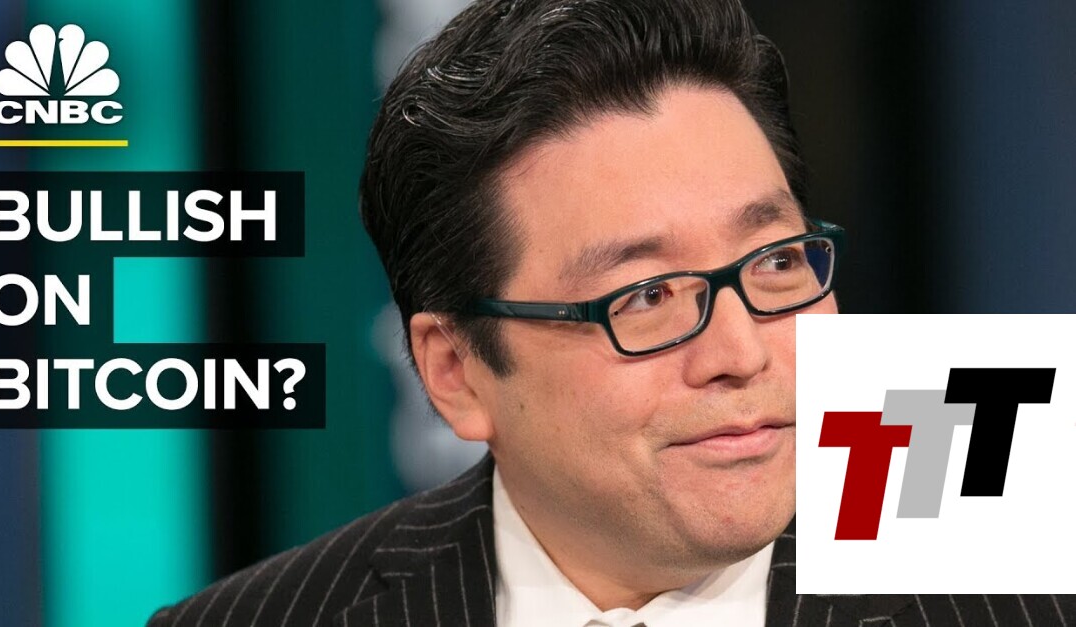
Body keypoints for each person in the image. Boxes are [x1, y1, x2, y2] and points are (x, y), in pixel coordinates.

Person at [149, 0, 1075, 625]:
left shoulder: (1023, 546)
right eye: (645, 296)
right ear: (455, 372)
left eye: (776, 261)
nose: (739, 351)